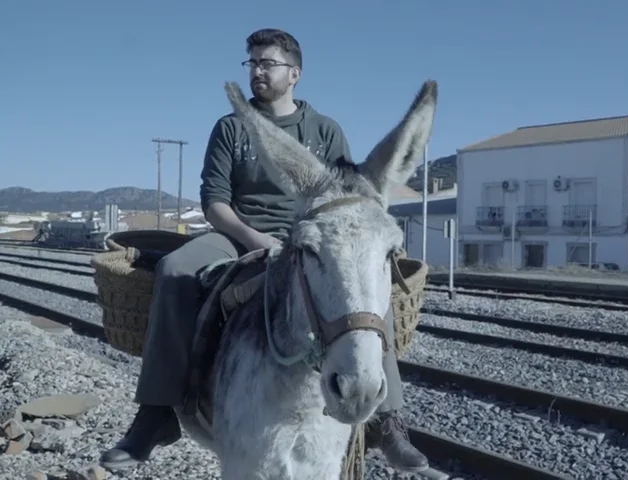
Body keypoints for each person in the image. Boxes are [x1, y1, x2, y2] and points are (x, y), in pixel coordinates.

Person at [99, 28, 429, 474]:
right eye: (251, 63)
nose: (257, 71)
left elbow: (350, 199)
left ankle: (388, 421)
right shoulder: (232, 128)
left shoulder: (326, 130)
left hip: (312, 236)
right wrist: (259, 240)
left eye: (266, 63)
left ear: (294, 73)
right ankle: (155, 414)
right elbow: (215, 203)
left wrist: (317, 242)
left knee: (367, 289)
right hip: (237, 235)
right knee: (176, 270)